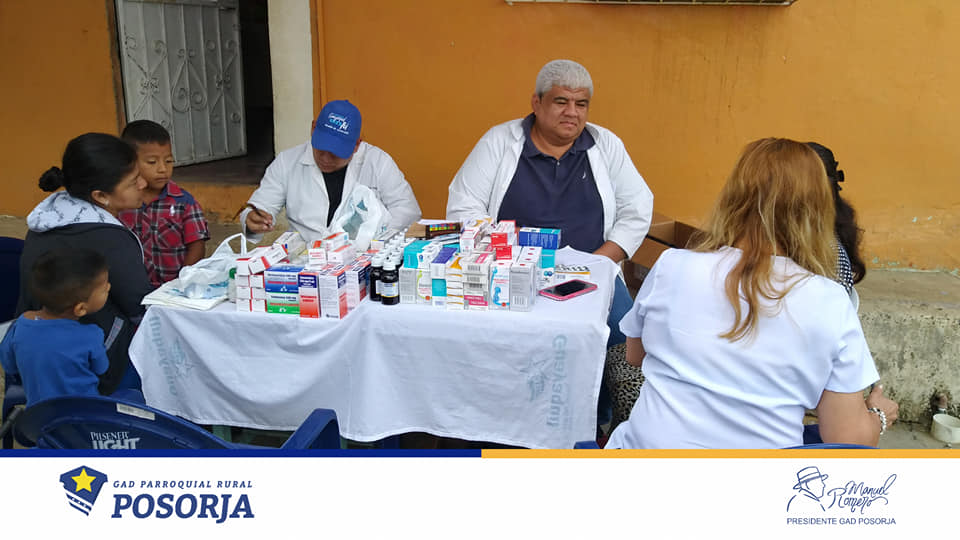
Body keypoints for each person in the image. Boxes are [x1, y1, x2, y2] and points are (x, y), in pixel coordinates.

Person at [605, 138, 898, 449]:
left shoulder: (673, 266)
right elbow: (847, 438)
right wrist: (878, 414)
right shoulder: (830, 301)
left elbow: (635, 354)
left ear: (734, 196)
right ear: (818, 208)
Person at [17, 133, 153, 396]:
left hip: (35, 359)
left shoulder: (45, 219)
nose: (143, 183)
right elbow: (138, 305)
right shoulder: (109, 237)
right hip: (95, 368)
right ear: (100, 196)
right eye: (133, 180)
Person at [240, 100, 422, 244]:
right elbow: (260, 206)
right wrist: (252, 220)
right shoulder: (286, 162)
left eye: (336, 153)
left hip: (363, 257)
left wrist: (373, 240)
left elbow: (407, 211)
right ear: (313, 129)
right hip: (305, 258)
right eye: (320, 149)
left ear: (356, 145)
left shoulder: (378, 162)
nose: (326, 159)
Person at [2, 248, 111, 406]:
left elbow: (9, 365)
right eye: (104, 288)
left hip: (38, 413)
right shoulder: (91, 335)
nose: (109, 287)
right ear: (80, 309)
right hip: (85, 411)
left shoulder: (20, 325)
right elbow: (101, 368)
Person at [118, 120, 210, 288]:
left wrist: (182, 281)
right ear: (130, 163)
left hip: (173, 289)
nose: (162, 169)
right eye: (152, 162)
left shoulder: (184, 202)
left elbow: (197, 245)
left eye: (168, 161)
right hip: (132, 287)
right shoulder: (122, 204)